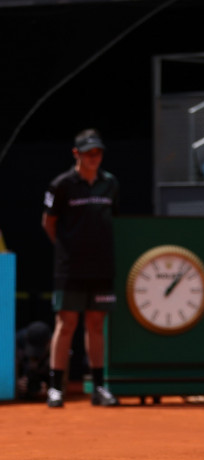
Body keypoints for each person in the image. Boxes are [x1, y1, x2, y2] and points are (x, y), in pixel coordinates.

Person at [42, 129, 120, 408]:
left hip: (101, 267)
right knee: (66, 323)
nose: (94, 158)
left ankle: (99, 388)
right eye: (89, 153)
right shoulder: (61, 185)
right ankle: (55, 388)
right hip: (70, 268)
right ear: (76, 154)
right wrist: (67, 250)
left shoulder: (110, 183)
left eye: (98, 153)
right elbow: (48, 223)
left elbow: (114, 220)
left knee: (96, 324)